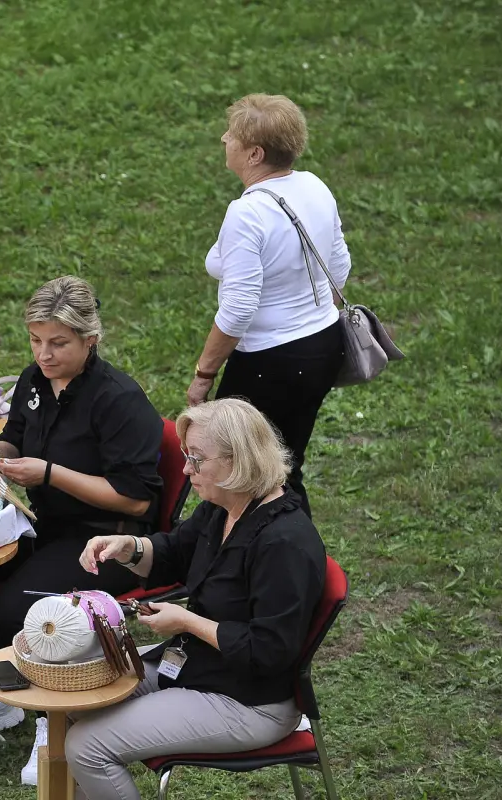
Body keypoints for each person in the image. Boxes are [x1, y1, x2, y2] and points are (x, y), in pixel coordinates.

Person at [0, 276, 163, 786]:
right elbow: (15, 439)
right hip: (36, 523)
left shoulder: (118, 400)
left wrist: (47, 473)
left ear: (91, 341)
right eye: (37, 340)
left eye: (59, 343)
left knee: (10, 614)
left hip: (101, 541)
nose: (44, 354)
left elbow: (136, 497)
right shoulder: (35, 382)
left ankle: (54, 722)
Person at [65, 398, 326, 800]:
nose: (185, 470)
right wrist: (128, 546)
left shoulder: (284, 543)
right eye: (186, 456)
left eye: (196, 459)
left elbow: (269, 651)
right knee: (74, 694)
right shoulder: (225, 508)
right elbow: (172, 553)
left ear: (238, 461)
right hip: (200, 667)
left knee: (87, 748)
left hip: (247, 701)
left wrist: (186, 622)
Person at [186, 93, 351, 519]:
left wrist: (204, 375)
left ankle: (260, 563)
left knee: (241, 474)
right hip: (322, 345)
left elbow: (239, 309)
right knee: (284, 466)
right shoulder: (314, 186)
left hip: (270, 363)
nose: (224, 139)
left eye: (232, 136)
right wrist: (310, 322)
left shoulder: (248, 213)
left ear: (255, 153)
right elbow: (339, 264)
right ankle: (293, 562)